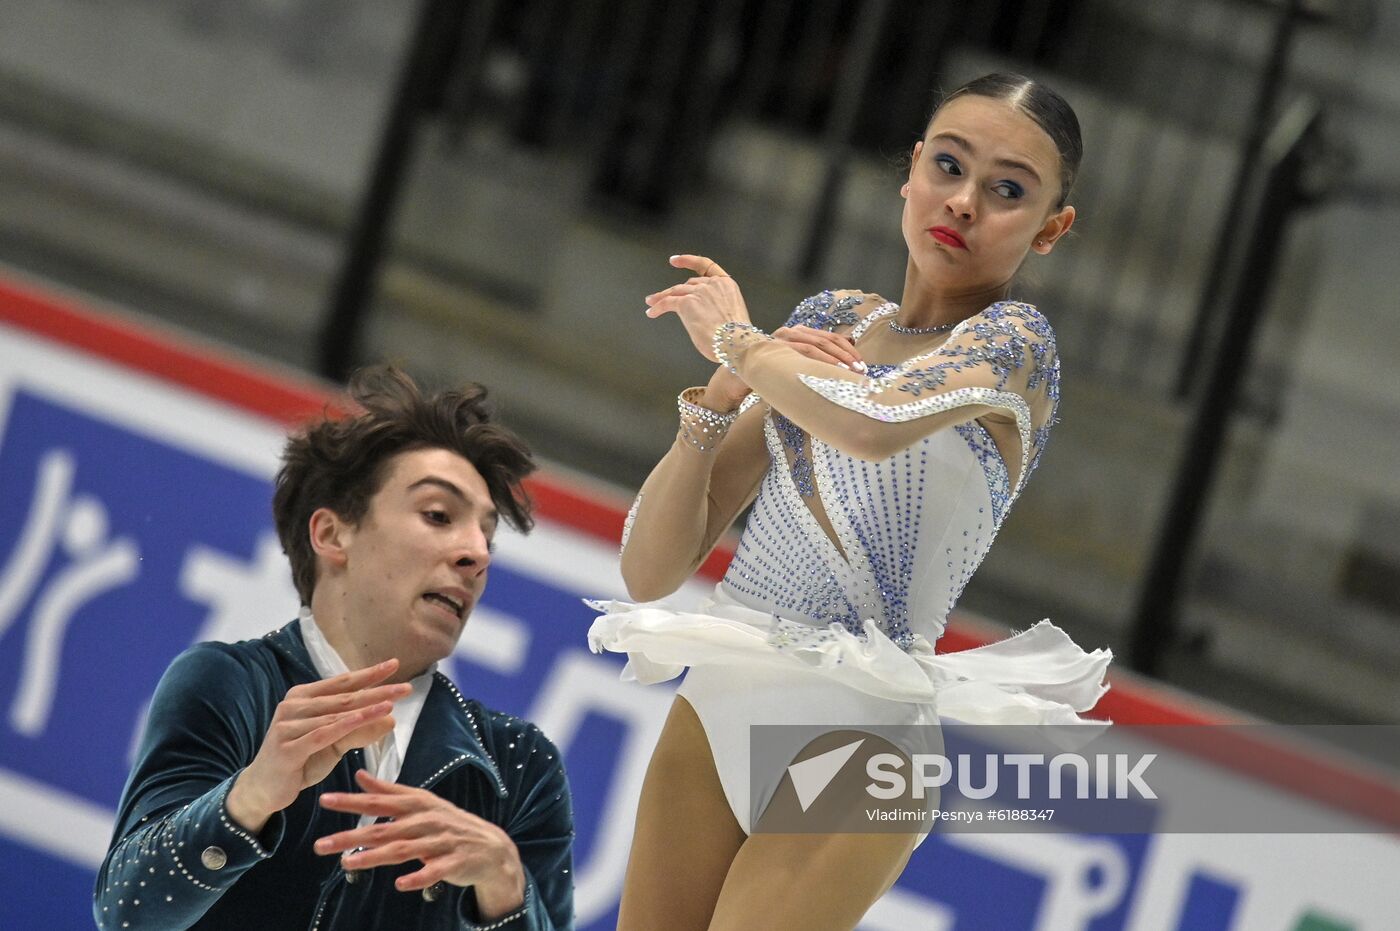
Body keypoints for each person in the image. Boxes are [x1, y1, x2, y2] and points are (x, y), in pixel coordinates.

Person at [588, 72, 1113, 930]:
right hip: (719, 695)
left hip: (863, 735)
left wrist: (740, 342)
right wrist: (714, 403)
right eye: (948, 165)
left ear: (1052, 229)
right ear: (910, 170)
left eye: (1008, 190)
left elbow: (874, 423)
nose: (966, 201)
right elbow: (649, 571)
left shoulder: (1015, 344)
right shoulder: (830, 318)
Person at [94, 367, 574, 931]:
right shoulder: (229, 686)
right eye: (439, 515)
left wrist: (504, 886)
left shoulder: (519, 765)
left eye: (486, 537)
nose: (476, 553)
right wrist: (248, 798)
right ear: (331, 534)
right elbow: (127, 913)